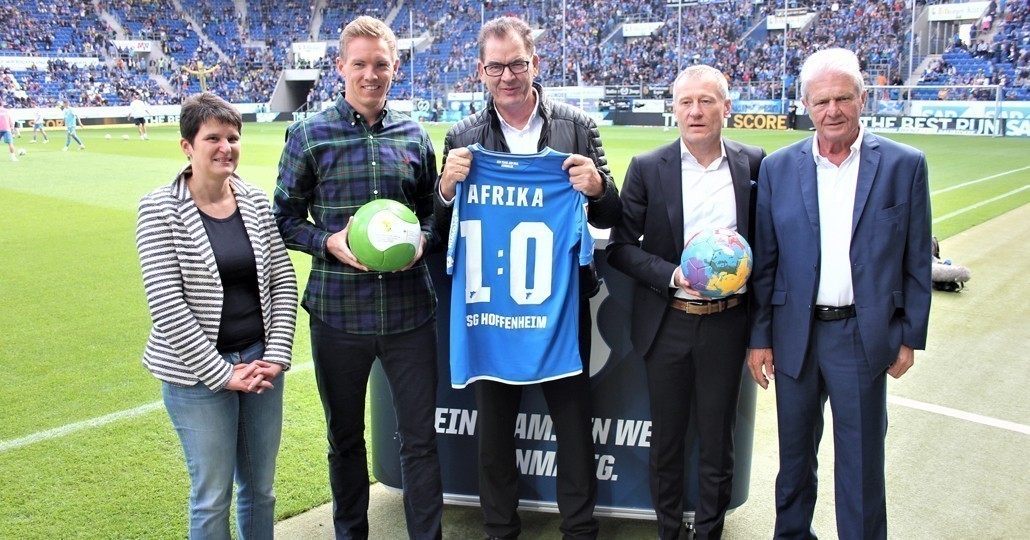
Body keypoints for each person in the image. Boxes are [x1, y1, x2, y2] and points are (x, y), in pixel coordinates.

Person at [435, 16, 621, 540]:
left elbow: (613, 218)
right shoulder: (463, 136)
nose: (508, 76)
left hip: (559, 309)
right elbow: (439, 228)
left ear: (534, 63)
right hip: (492, 311)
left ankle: (580, 530)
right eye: (496, 67)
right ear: (481, 71)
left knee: (574, 431)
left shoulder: (576, 126)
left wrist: (599, 187)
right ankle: (500, 529)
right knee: (495, 434)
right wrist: (447, 190)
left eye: (517, 63)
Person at [747, 48, 932, 540]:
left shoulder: (903, 165)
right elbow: (766, 263)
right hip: (795, 337)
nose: (833, 110)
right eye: (822, 100)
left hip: (862, 337)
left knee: (862, 464)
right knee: (793, 462)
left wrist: (909, 336)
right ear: (805, 105)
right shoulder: (778, 168)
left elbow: (916, 258)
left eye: (844, 98)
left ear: (862, 98)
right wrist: (760, 336)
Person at [273, 16, 444, 540]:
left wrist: (423, 240)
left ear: (395, 69)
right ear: (340, 67)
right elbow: (283, 218)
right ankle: (351, 534)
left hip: (409, 315)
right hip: (338, 315)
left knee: (419, 439)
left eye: (382, 65)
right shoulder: (308, 134)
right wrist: (327, 242)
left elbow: (434, 212)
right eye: (361, 64)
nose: (371, 74)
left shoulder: (414, 135)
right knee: (345, 437)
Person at [606, 65, 765, 540]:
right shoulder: (648, 167)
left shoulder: (754, 164)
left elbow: (770, 247)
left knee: (719, 441)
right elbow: (619, 247)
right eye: (685, 102)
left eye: (707, 101)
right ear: (673, 109)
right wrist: (674, 275)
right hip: (668, 323)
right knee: (668, 441)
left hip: (728, 325)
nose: (695, 111)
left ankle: (710, 532)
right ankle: (669, 530)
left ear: (726, 107)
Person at [135, 92, 299, 539]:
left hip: (261, 363)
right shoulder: (158, 209)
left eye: (233, 136)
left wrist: (278, 355)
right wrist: (222, 374)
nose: (226, 146)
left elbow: (283, 281)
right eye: (213, 138)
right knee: (212, 497)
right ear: (187, 146)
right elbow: (167, 306)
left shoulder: (253, 198)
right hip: (196, 377)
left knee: (260, 490)